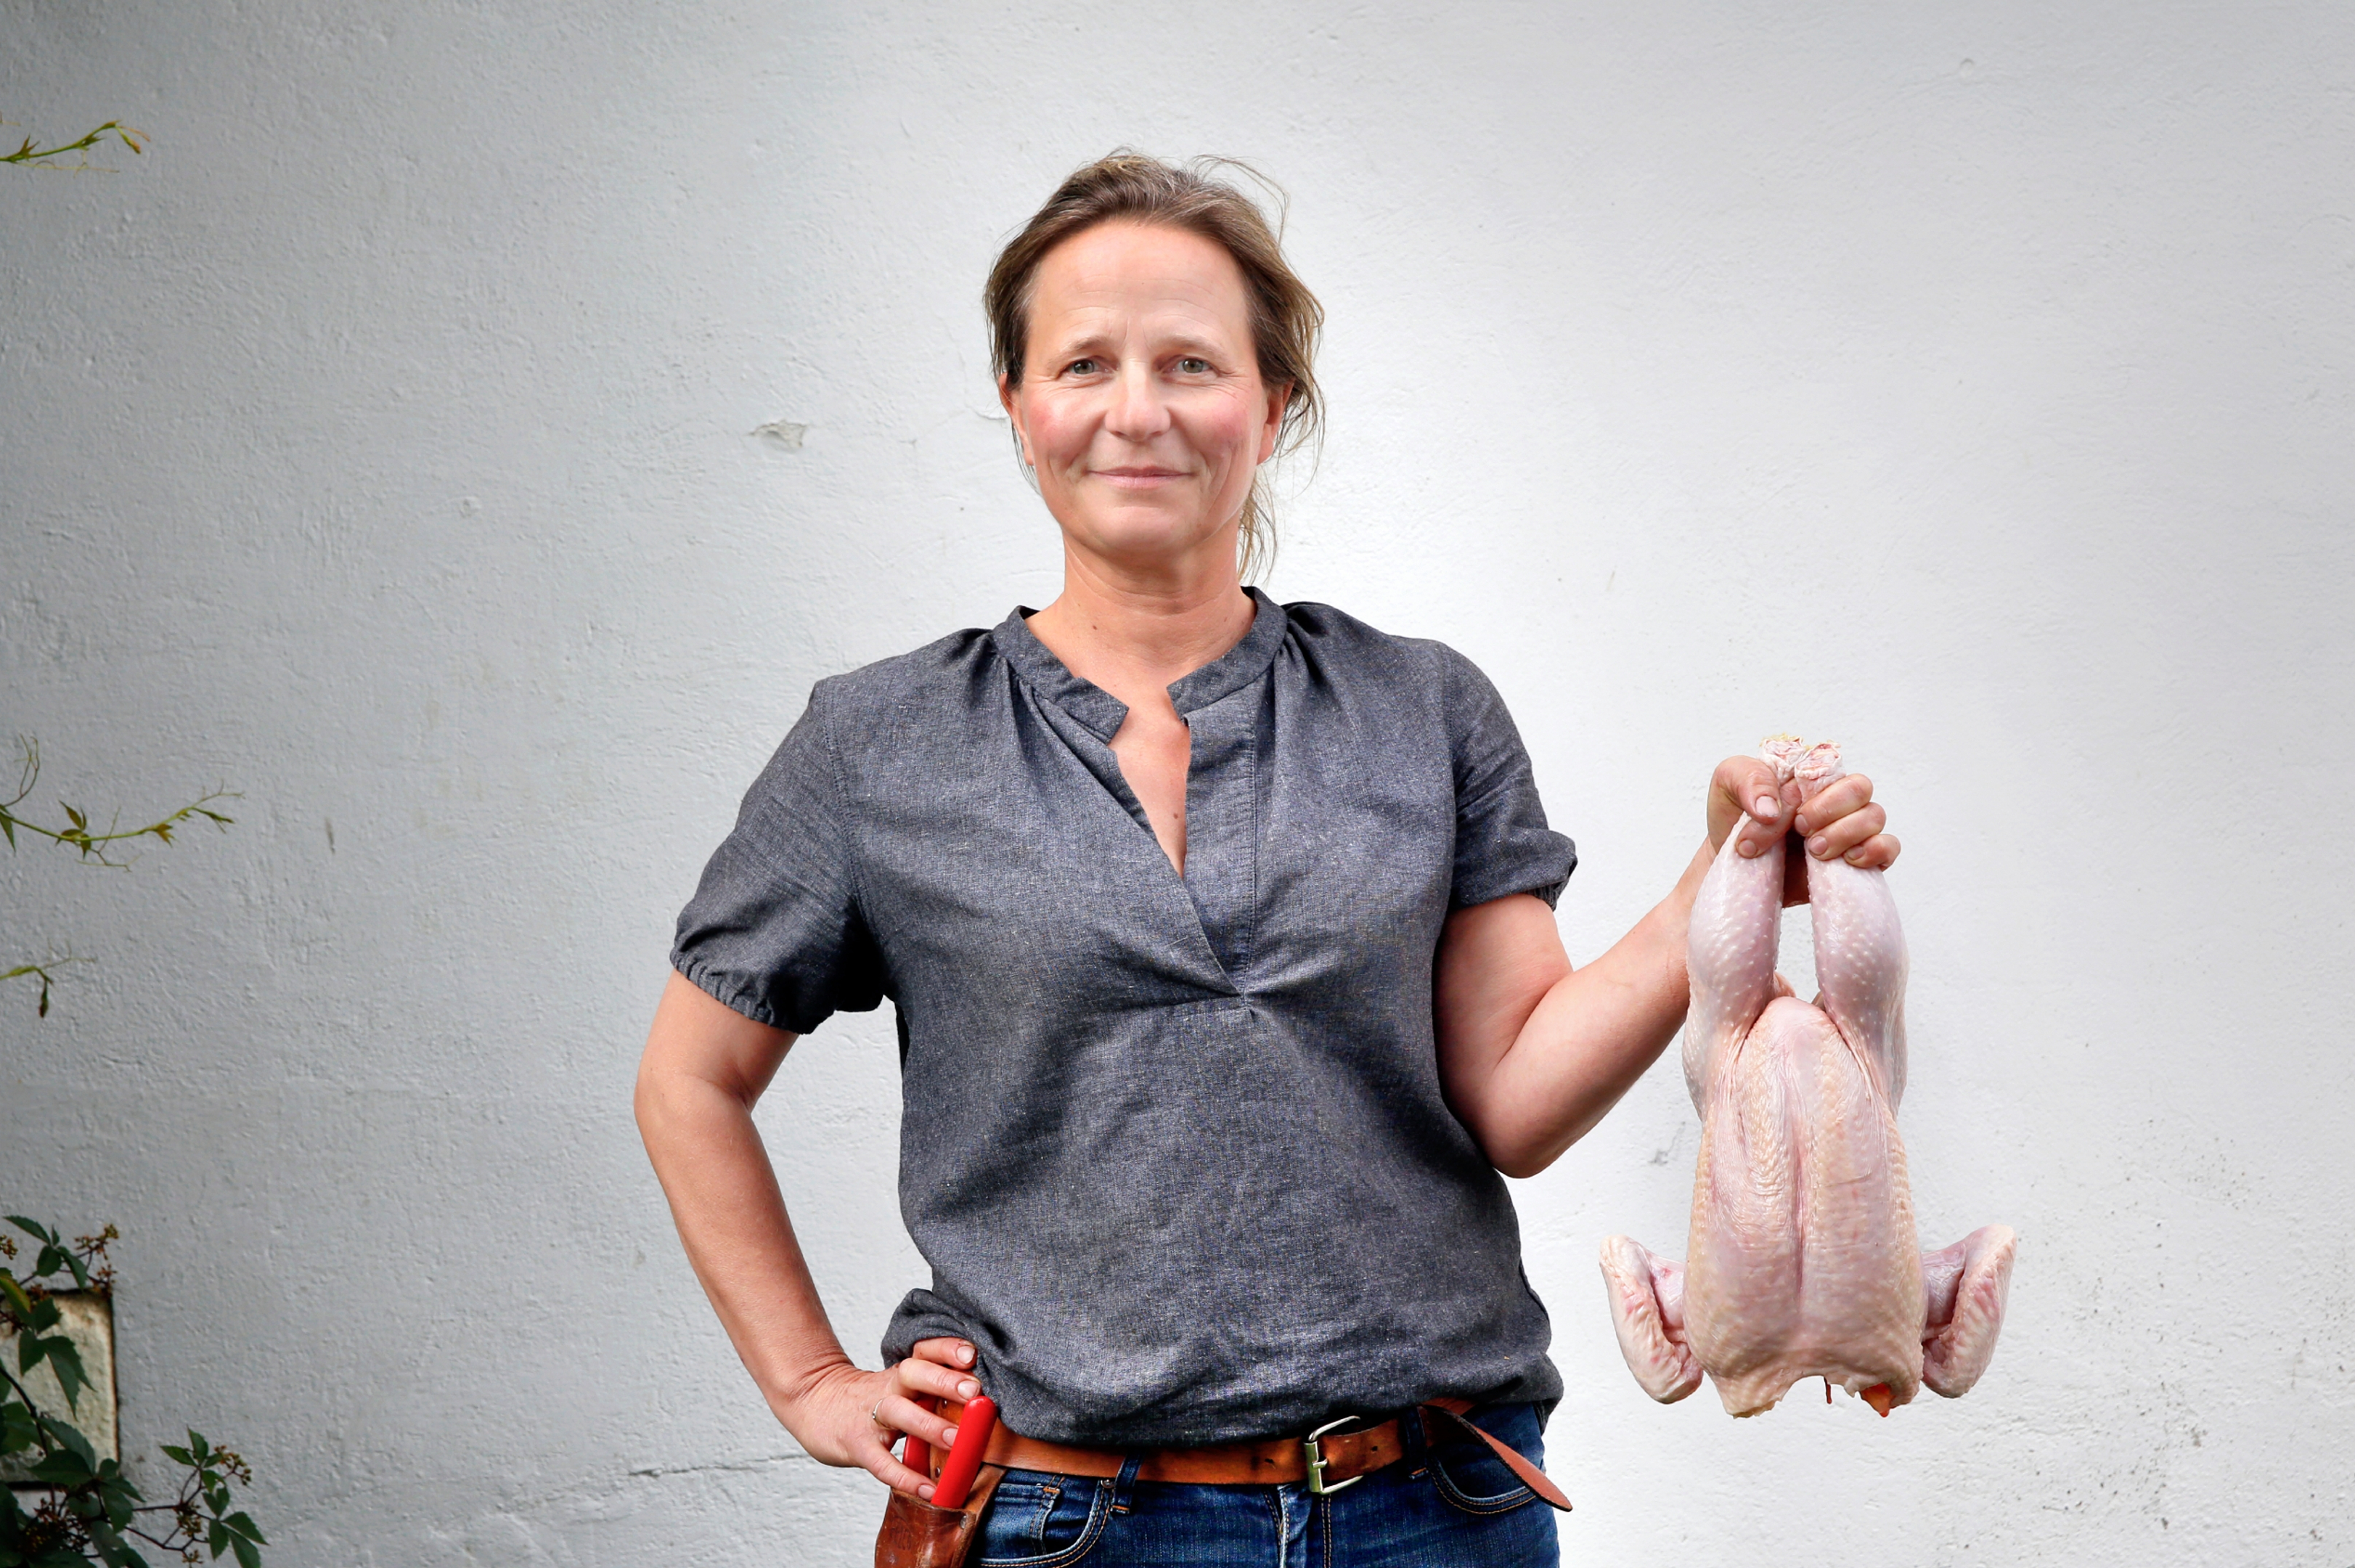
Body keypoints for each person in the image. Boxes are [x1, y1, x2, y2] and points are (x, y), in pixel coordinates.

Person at [633, 153, 1900, 1565]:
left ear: (1271, 403)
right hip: (1063, 1519)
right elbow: (691, 1077)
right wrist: (812, 1382)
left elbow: (1518, 1103)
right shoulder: (883, 743)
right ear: (1015, 402)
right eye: (1084, 363)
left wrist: (1716, 873)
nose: (1136, 411)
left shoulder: (1424, 711)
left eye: (1190, 363)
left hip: (1435, 1508)